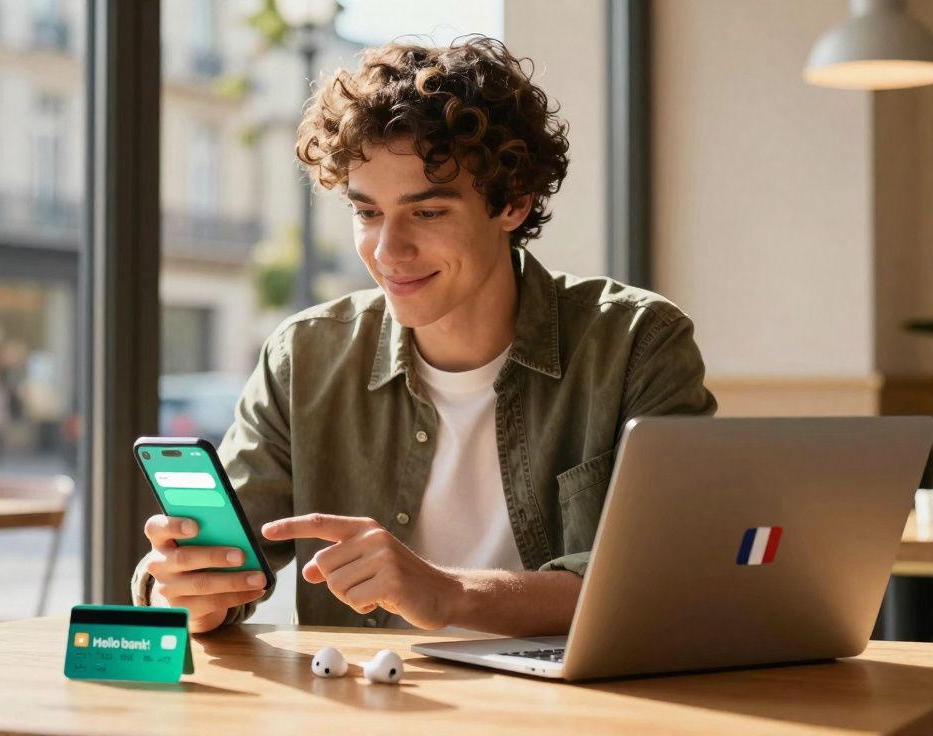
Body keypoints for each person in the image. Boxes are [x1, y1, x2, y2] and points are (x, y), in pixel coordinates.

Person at [133, 37, 716, 635]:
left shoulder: (637, 343)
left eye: (428, 212)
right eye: (367, 213)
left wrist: (449, 594)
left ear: (514, 203)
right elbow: (219, 562)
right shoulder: (304, 357)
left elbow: (674, 577)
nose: (388, 251)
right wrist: (182, 589)